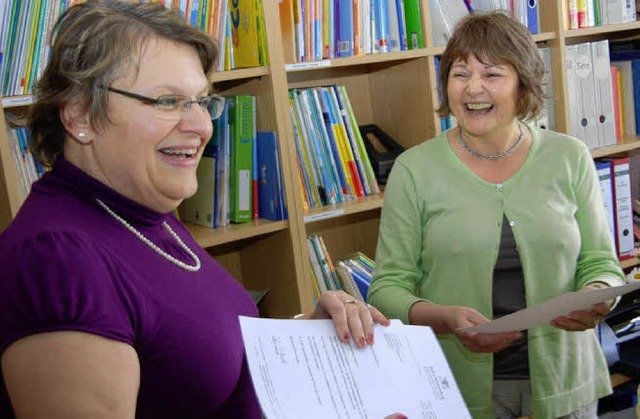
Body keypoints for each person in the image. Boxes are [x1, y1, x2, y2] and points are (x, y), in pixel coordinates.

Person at [0, 2, 395, 418]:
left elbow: (184, 362)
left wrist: (305, 338)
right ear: (80, 115)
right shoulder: (53, 261)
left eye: (201, 101)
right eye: (169, 101)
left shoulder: (143, 211)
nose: (203, 126)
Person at [368, 11, 625, 419]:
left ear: (522, 84)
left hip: (566, 380)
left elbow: (602, 262)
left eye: (491, 74)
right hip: (456, 387)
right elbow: (387, 288)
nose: (473, 89)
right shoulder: (414, 169)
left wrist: (597, 295)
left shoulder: (568, 156)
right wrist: (444, 319)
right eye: (459, 73)